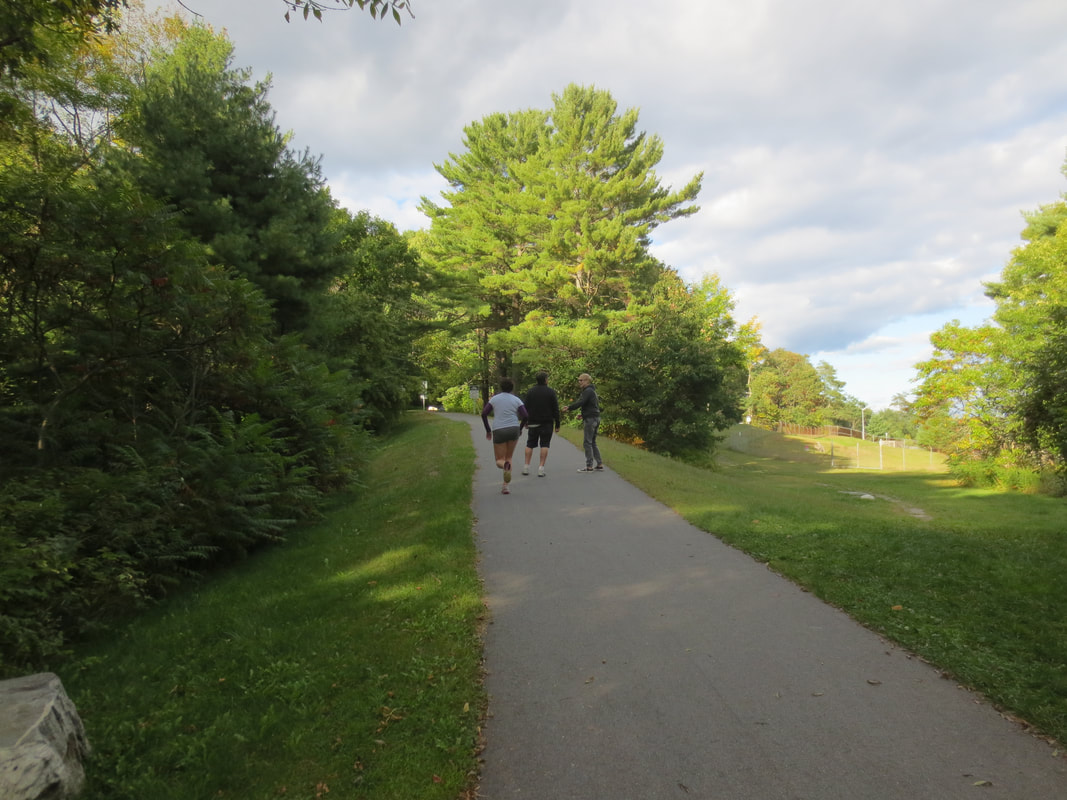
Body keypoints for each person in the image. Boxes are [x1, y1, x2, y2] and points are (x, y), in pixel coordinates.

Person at [481, 377, 528, 494]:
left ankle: (504, 466)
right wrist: (520, 428)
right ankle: (505, 486)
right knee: (509, 457)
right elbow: (526, 416)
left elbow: (484, 414)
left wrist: (488, 430)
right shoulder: (517, 400)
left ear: (501, 387)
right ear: (512, 388)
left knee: (499, 460)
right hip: (513, 429)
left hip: (499, 429)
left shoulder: (494, 399)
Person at [522, 371, 561, 477]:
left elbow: (525, 408)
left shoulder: (531, 392)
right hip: (547, 423)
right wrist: (557, 424)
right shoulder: (551, 392)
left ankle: (526, 466)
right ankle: (541, 468)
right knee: (544, 444)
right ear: (545, 380)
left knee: (530, 443)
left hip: (533, 422)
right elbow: (555, 409)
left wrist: (525, 421)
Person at [565, 372, 603, 472]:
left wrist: (569, 408)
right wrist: (583, 415)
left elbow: (581, 402)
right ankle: (599, 464)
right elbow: (591, 406)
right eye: (579, 380)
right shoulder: (592, 391)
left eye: (581, 380)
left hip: (591, 420)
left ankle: (589, 466)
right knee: (593, 442)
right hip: (595, 417)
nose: (579, 382)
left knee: (587, 442)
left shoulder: (587, 391)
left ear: (587, 380)